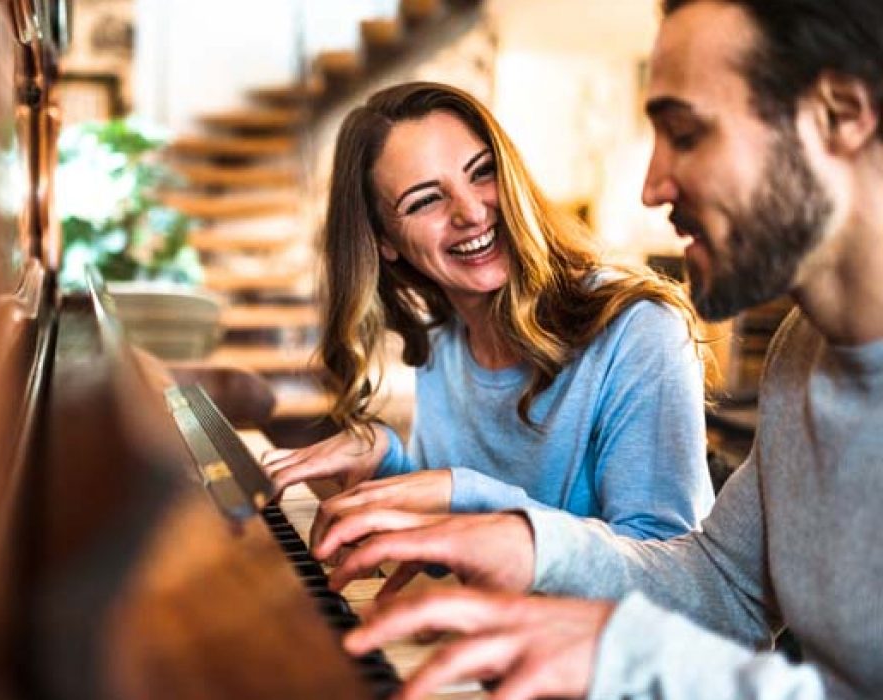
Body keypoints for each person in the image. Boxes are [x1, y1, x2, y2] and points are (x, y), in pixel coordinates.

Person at [323, 1, 883, 698]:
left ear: (841, 113)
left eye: (686, 133)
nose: (651, 187)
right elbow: (725, 586)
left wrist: (617, 648)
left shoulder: (644, 329)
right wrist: (531, 546)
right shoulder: (803, 352)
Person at [262, 81, 714, 548]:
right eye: (424, 200)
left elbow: (665, 566)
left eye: (482, 172)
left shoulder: (639, 329)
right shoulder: (445, 340)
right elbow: (458, 549)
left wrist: (461, 493)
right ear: (384, 242)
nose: (471, 212)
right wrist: (387, 461)